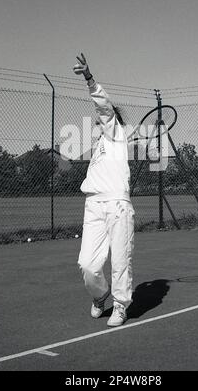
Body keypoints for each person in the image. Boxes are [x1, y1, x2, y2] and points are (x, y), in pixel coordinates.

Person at [73, 53, 135, 327]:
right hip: (94, 206)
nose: (97, 124)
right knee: (87, 264)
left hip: (118, 206)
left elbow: (104, 108)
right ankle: (101, 297)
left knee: (121, 261)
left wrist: (89, 78)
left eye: (100, 122)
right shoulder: (100, 146)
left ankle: (120, 306)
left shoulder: (116, 131)